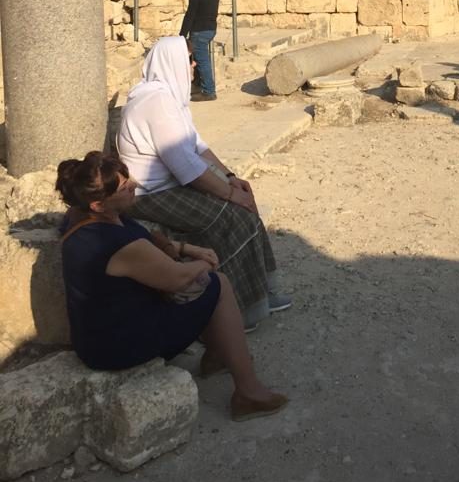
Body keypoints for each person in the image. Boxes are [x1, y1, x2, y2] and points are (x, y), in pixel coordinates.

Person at [56, 150, 288, 421]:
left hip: (99, 335)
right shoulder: (113, 242)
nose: (133, 186)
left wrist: (185, 248)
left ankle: (219, 354)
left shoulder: (85, 217)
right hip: (119, 345)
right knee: (217, 284)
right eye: (124, 187)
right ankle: (248, 392)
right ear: (98, 205)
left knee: (201, 286)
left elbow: (147, 242)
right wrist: (205, 263)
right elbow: (177, 278)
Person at [117, 35, 291, 328]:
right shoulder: (155, 101)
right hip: (150, 194)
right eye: (189, 59)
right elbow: (184, 165)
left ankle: (262, 289)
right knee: (234, 217)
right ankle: (241, 309)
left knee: (244, 203)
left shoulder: (168, 97)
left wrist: (231, 178)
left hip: (169, 185)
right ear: (172, 62)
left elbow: (196, 146)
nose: (194, 64)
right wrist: (229, 195)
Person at [180, 0, 220, 102]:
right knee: (197, 58)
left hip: (199, 31)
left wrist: (182, 35)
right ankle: (197, 85)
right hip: (211, 29)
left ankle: (209, 91)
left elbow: (190, 16)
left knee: (202, 61)